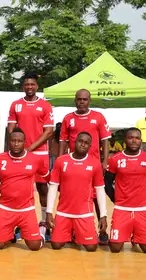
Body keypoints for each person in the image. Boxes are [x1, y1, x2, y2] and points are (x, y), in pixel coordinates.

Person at [59, 89, 111, 244]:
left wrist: (105, 161)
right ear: (75, 100)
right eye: (79, 99)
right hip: (73, 165)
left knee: (96, 197)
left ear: (90, 100)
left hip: (93, 165)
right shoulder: (68, 118)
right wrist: (60, 161)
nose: (82, 102)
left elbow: (105, 140)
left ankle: (102, 230)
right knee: (72, 195)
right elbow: (62, 141)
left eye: (85, 99)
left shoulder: (98, 117)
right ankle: (72, 231)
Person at [7, 72, 54, 240]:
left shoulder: (45, 106)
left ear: (37, 86)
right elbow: (11, 127)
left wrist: (30, 148)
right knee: (21, 189)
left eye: (32, 84)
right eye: (26, 84)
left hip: (39, 153)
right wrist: (17, 146)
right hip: (21, 154)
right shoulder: (15, 105)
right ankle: (20, 224)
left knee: (42, 188)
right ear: (23, 86)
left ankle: (45, 223)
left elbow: (49, 131)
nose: (29, 87)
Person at [0, 128, 49, 250]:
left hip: (26, 209)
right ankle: (10, 236)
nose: (16, 144)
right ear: (9, 142)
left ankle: (41, 229)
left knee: (35, 247)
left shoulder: (35, 159)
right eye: (13, 140)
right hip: (5, 209)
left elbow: (49, 178)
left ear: (25, 142)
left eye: (19, 141)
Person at [46, 132, 108, 252]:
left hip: (84, 213)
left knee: (91, 247)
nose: (83, 144)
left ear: (90, 146)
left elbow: (100, 190)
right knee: (56, 245)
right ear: (74, 142)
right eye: (80, 141)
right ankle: (72, 233)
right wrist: (49, 212)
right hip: (64, 212)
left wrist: (103, 215)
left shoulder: (95, 163)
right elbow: (53, 187)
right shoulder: (61, 161)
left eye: (86, 143)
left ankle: (77, 234)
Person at [105, 127, 146, 254]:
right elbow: (107, 183)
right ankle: (125, 232)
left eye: (137, 138)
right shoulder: (115, 159)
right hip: (122, 209)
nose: (134, 141)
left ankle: (136, 235)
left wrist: (143, 197)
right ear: (125, 140)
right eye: (130, 138)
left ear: (141, 141)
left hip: (142, 209)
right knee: (115, 248)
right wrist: (115, 199)